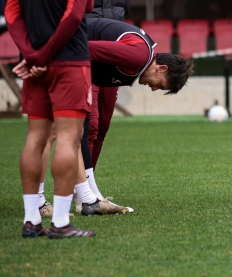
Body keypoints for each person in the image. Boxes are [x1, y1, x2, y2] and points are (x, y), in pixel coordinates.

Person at [15, 17, 194, 216]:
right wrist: (43, 60)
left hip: (54, 54)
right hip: (52, 55)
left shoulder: (140, 60)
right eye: (159, 85)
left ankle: (88, 200)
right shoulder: (138, 56)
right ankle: (39, 204)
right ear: (161, 68)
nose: (153, 89)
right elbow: (84, 48)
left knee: (71, 132)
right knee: (49, 133)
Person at [5, 0, 96, 239]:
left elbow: (12, 14)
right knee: (68, 140)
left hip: (35, 64)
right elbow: (77, 12)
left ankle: (32, 220)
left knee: (35, 138)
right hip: (69, 61)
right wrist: (44, 55)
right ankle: (60, 223)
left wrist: (31, 54)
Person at [78, 0, 131, 213]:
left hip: (111, 64)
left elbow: (124, 17)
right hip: (84, 61)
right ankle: (84, 192)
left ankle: (85, 189)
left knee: (104, 127)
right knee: (90, 126)